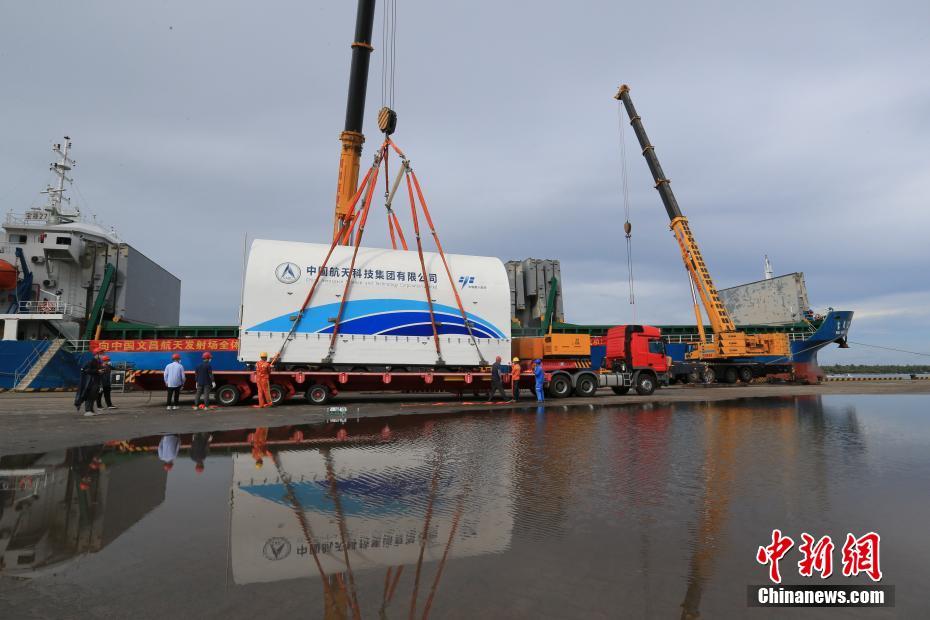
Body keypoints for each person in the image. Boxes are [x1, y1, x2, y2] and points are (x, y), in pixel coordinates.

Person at [75, 349, 103, 416]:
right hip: (91, 382)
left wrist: (100, 371)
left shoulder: (98, 362)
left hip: (96, 381)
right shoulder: (91, 362)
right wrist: (97, 371)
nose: (103, 355)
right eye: (101, 353)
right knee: (89, 396)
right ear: (97, 354)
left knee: (93, 396)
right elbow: (86, 370)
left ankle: (91, 410)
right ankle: (88, 410)